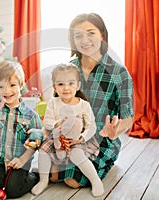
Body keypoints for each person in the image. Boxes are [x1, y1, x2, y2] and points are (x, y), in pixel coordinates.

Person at [50, 13, 134, 191]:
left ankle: (107, 160)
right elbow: (57, 105)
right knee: (51, 174)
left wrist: (114, 131)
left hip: (101, 139)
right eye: (78, 35)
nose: (85, 40)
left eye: (91, 33)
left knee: (72, 181)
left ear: (102, 35)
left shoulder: (119, 73)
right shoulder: (68, 69)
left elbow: (128, 117)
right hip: (70, 138)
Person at [31, 63, 104, 197]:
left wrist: (81, 138)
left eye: (71, 83)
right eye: (60, 84)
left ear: (78, 85)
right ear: (54, 87)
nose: (66, 88)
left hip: (76, 140)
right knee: (43, 151)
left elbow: (91, 126)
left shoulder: (83, 105)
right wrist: (55, 124)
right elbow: (46, 121)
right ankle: (43, 180)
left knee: (77, 155)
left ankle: (95, 180)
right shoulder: (53, 102)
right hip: (56, 138)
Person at [0, 60, 43, 198]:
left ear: (21, 85)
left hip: (19, 161)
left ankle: (34, 176)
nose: (7, 91)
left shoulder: (31, 116)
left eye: (12, 85)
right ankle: (2, 175)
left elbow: (34, 143)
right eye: (1, 86)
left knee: (13, 191)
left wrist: (23, 160)